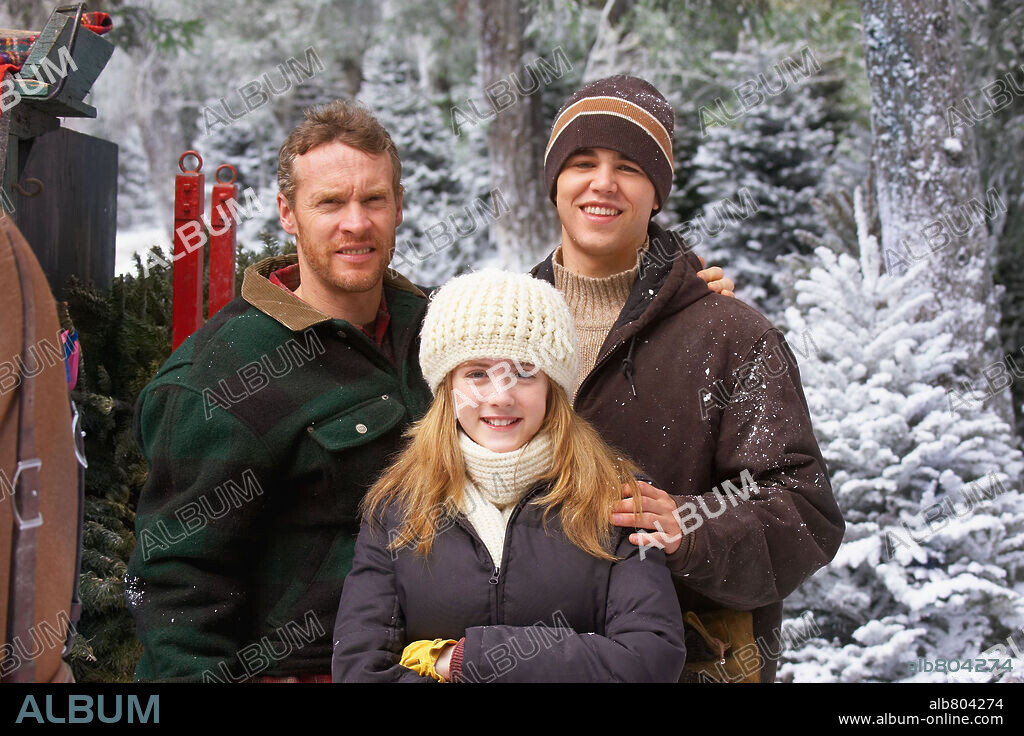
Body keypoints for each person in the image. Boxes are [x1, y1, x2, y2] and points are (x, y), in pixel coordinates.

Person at [126, 100, 727, 681]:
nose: (355, 222)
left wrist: (672, 298)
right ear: (288, 212)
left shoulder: (438, 327)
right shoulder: (220, 375)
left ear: (399, 207)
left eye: (374, 199)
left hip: (474, 658)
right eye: (329, 202)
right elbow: (177, 583)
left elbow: (531, 338)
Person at [531, 75, 845, 682]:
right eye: (582, 162)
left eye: (629, 166)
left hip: (696, 663)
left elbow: (804, 511)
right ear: (554, 183)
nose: (602, 183)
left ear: (656, 194)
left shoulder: (731, 335)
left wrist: (691, 524)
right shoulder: (505, 326)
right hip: (532, 658)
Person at [332, 269, 686, 682]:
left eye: (523, 372)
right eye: (477, 373)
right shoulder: (396, 504)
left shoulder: (617, 497)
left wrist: (472, 658)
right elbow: (359, 669)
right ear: (447, 388)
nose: (500, 397)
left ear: (553, 386)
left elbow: (650, 660)